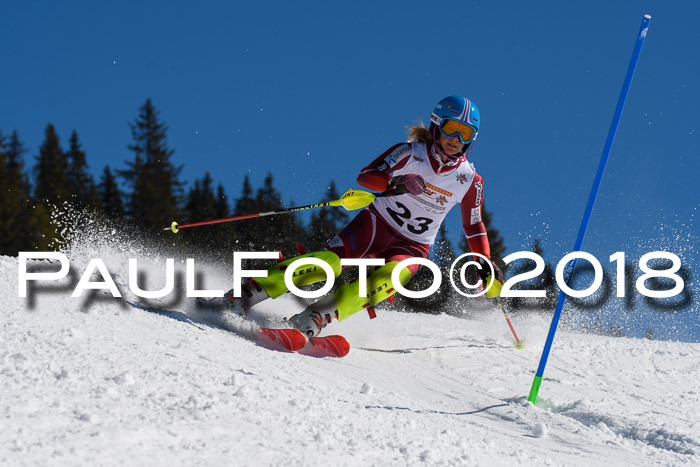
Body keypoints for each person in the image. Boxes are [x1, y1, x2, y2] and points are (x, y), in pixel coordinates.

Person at [217, 95, 504, 337]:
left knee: (388, 280)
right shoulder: (410, 153)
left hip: (413, 246)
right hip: (375, 225)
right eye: (452, 129)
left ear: (472, 140)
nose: (455, 139)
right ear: (436, 125)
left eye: (464, 134)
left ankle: (315, 318)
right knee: (329, 264)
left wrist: (484, 260)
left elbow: (473, 224)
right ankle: (246, 292)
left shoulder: (470, 180)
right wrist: (395, 184)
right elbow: (366, 177)